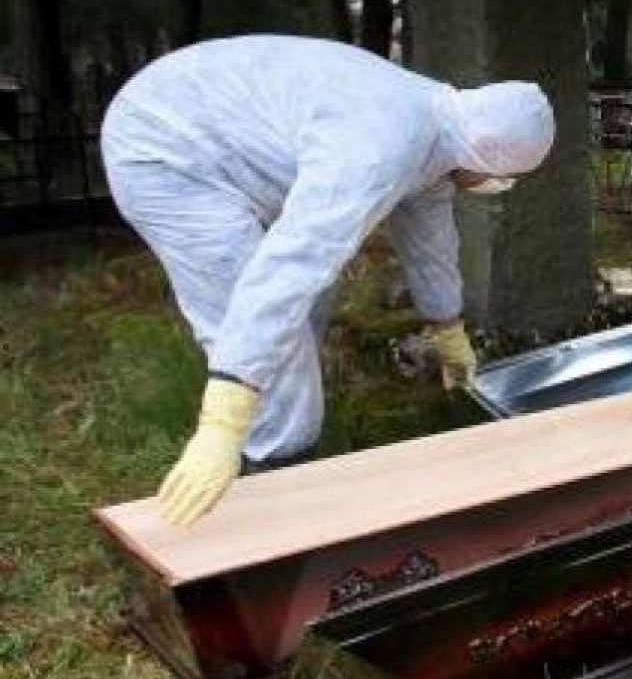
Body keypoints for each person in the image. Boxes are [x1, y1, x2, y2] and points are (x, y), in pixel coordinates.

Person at [100, 35, 555, 526]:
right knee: (281, 335)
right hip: (167, 149)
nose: (497, 186)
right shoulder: (379, 146)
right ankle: (278, 497)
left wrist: (448, 328)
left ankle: (267, 429)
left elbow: (431, 244)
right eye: (505, 176)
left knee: (300, 319)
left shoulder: (439, 132)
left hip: (221, 136)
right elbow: (293, 263)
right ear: (486, 157)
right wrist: (225, 417)